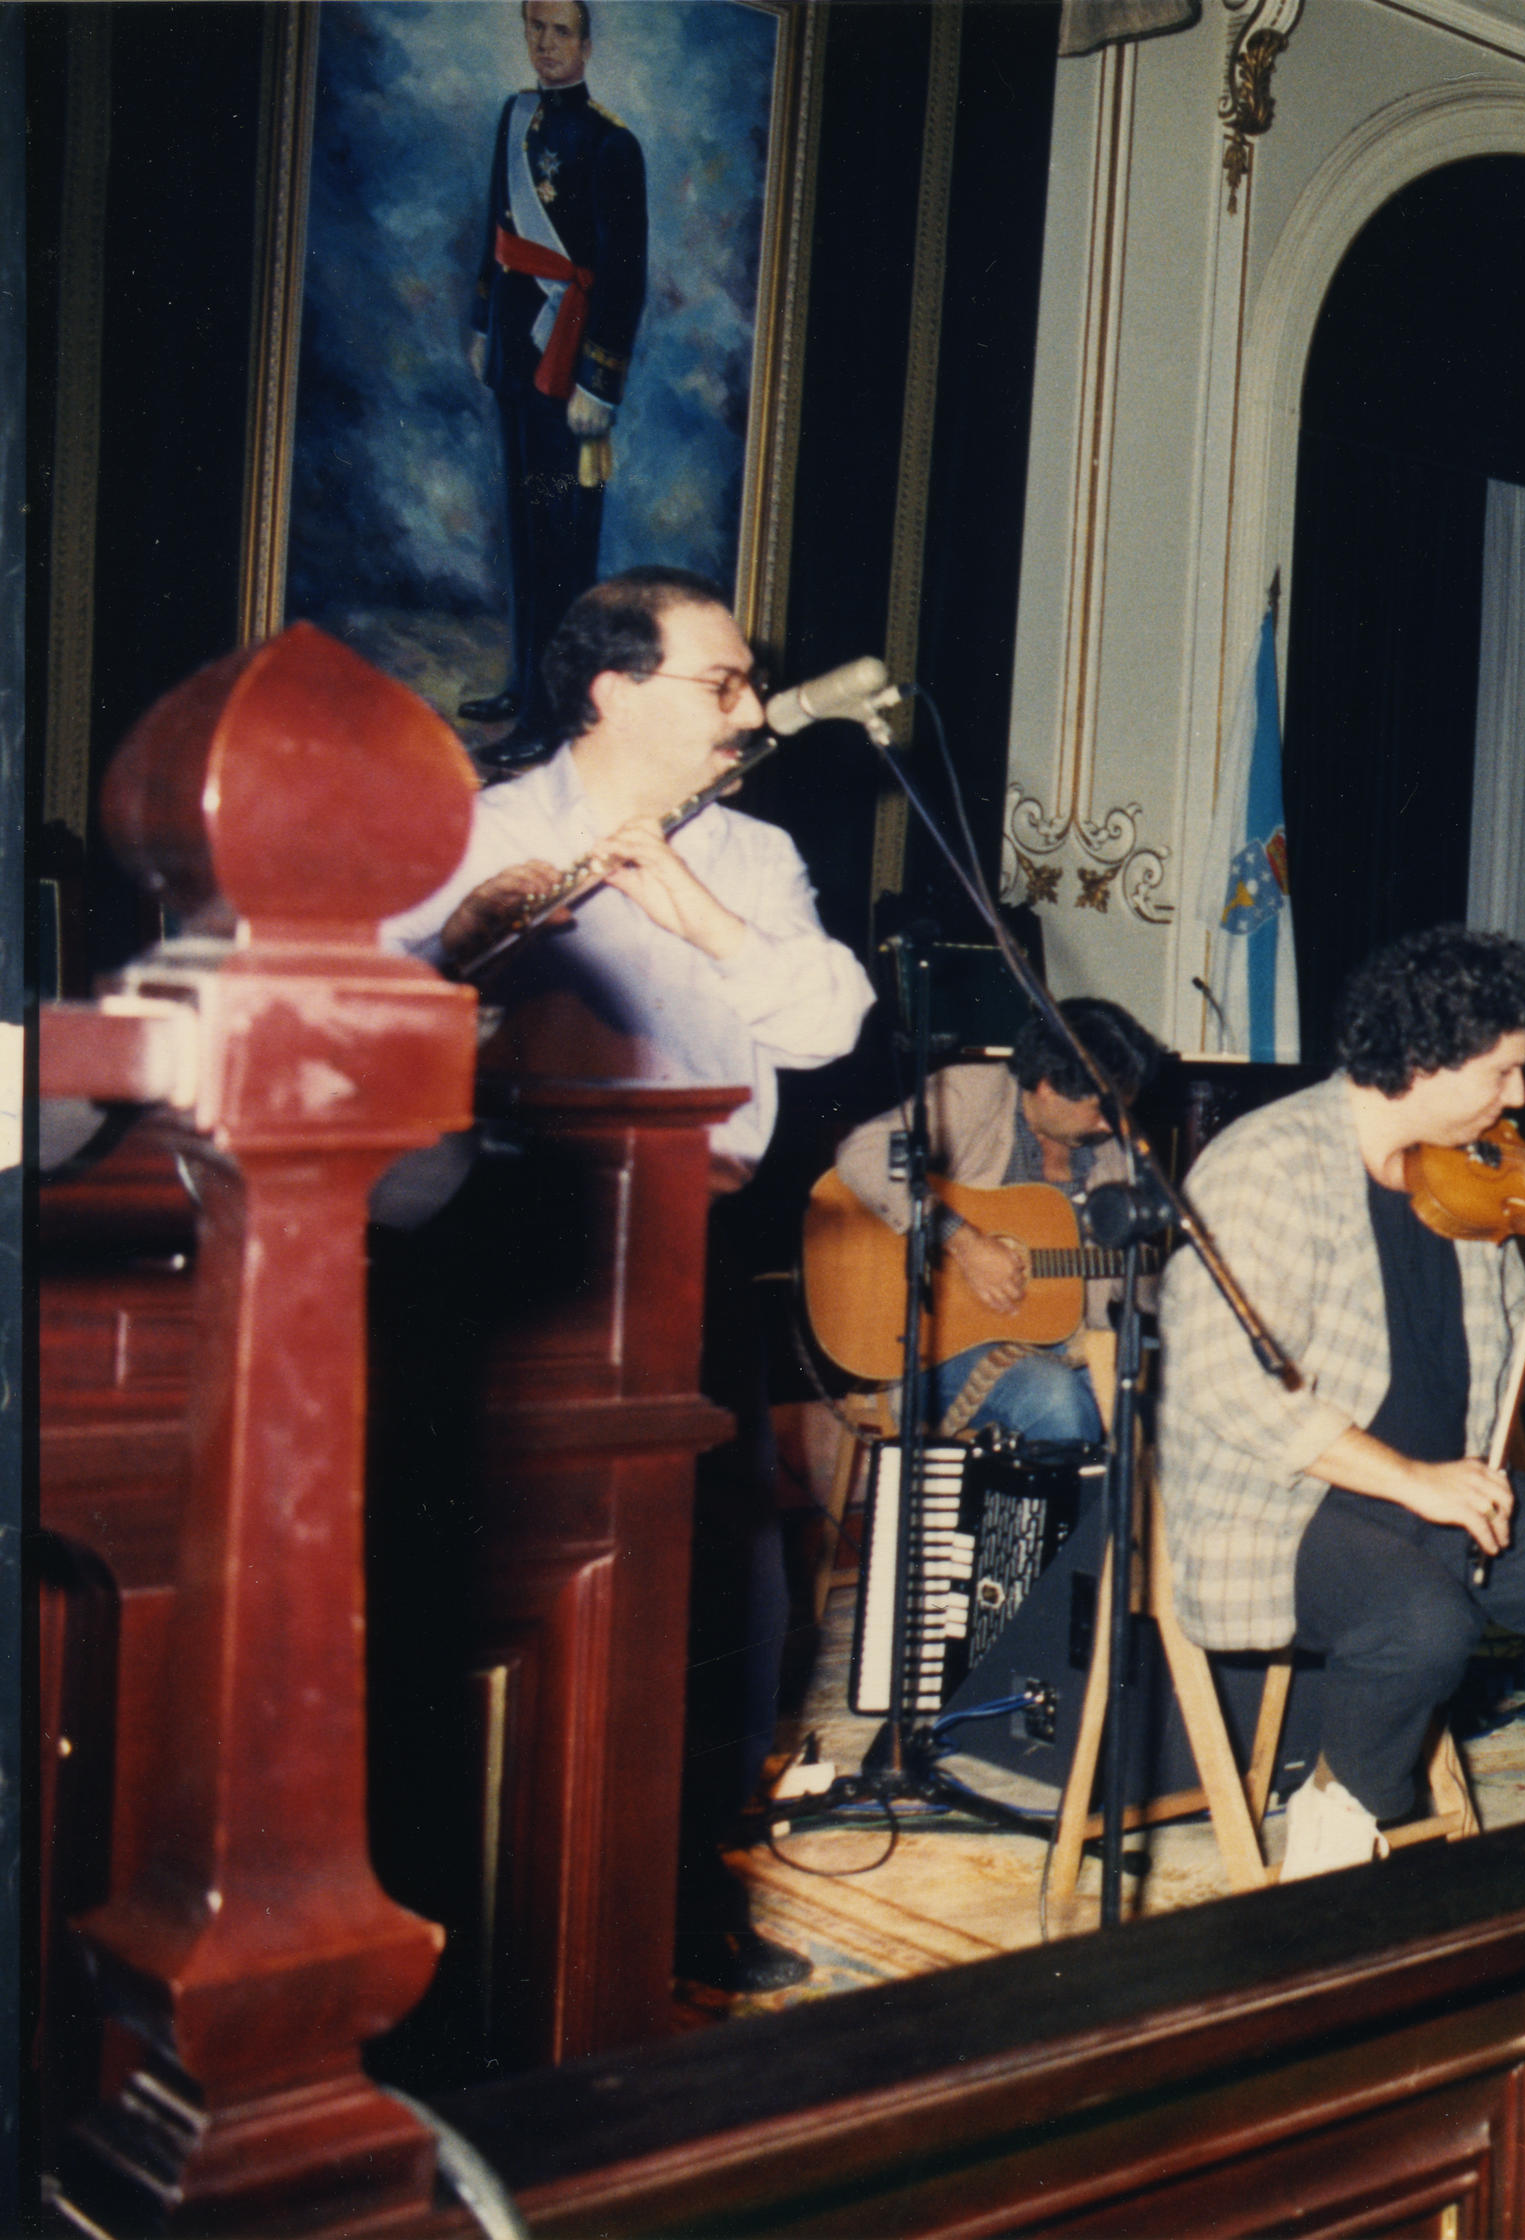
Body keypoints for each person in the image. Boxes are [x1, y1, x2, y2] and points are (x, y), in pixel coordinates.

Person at [385, 565, 873, 1994]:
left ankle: (672, 1897)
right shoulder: (470, 833)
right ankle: (458, 1906)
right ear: (612, 690)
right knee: (482, 1572)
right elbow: (355, 1012)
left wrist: (698, 917)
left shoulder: (756, 855)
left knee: (714, 1575)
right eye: (719, 683)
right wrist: (458, 955)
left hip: (689, 1239)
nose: (745, 709)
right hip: (500, 1239)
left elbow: (833, 1022)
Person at [1157, 926, 1525, 1876]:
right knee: (1422, 1623)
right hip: (1289, 1504)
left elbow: (1524, 1357)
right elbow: (1229, 1386)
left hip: (1436, 1497)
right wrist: (1414, 1481)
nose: (1518, 1097)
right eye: (1502, 1073)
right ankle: (1339, 1826)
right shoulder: (1267, 1162)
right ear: (1424, 1060)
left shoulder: (1466, 1175)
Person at [830, 998, 1165, 1446]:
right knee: (1058, 1405)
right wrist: (963, 1243)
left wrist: (1165, 1277)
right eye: (1098, 1109)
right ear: (1047, 1086)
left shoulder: (1110, 1156)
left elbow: (1117, 1278)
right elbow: (862, 1155)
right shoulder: (970, 1096)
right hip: (935, 1345)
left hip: (1066, 1347)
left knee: (1151, 1401)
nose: (1111, 1125)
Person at [461, 0, 647, 730]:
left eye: (560, 31)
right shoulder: (514, 117)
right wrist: (482, 323)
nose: (545, 44)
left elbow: (624, 275)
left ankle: (551, 716)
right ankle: (523, 685)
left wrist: (600, 384)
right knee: (525, 529)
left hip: (567, 370)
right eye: (534, 28)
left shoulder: (611, 144)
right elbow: (496, 233)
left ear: (588, 44)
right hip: (516, 356)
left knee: (562, 543)